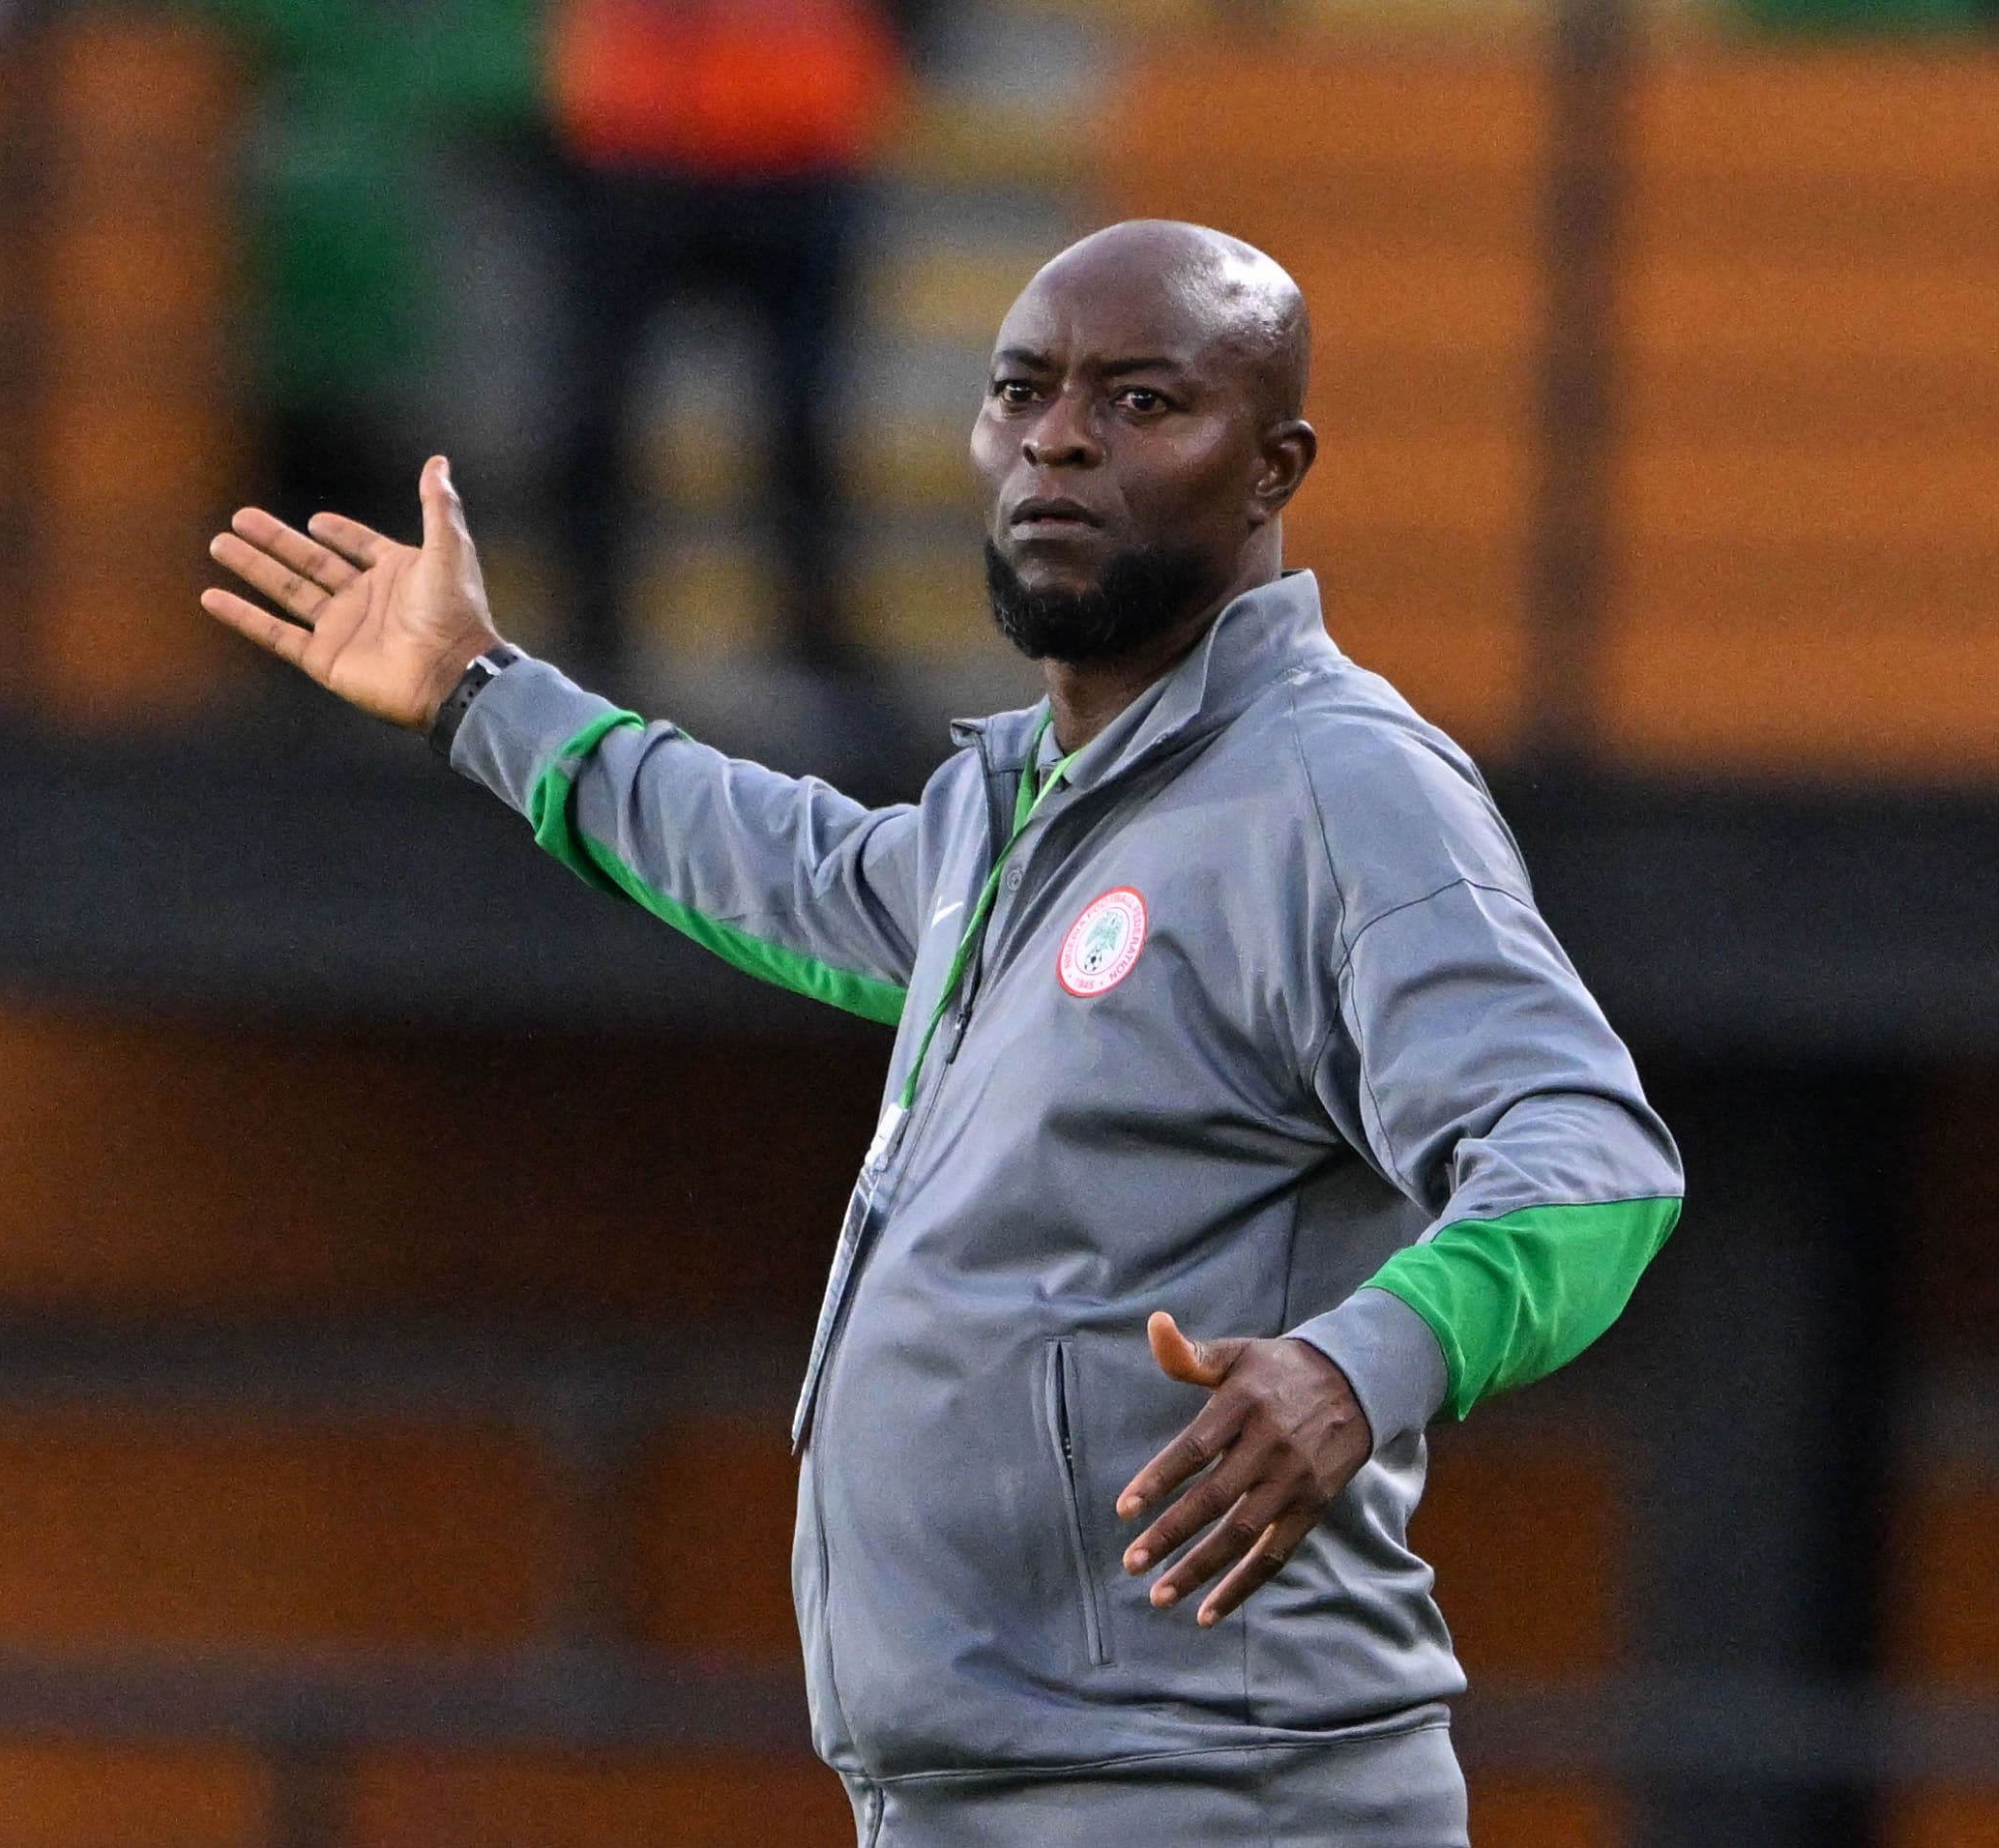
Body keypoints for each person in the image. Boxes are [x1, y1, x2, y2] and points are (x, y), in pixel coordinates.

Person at [200, 220, 1684, 1845]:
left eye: (1139, 400)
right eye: (1023, 391)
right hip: (971, 1797)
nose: (1058, 434)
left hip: (1213, 1806)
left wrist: (1357, 1360)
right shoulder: (1017, 803)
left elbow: (1586, 1160)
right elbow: (794, 868)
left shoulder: (1339, 787)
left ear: (1274, 468)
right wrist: (486, 695)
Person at [541, 0, 923, 686]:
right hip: (639, 129)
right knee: (595, 414)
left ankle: (815, 637)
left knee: (804, 420)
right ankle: (590, 636)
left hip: (793, 128)